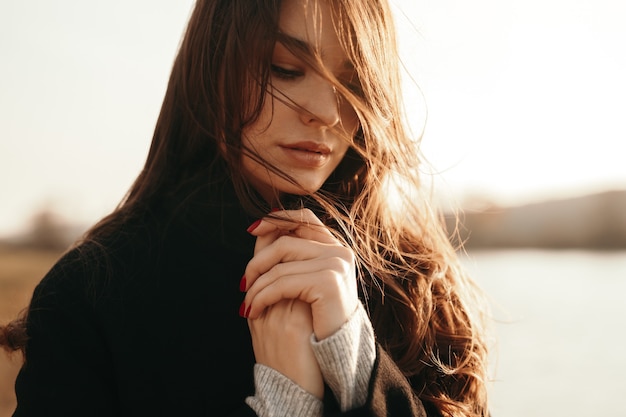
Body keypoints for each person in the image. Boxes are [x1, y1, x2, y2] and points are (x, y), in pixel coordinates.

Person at [0, 0, 493, 415]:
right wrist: (288, 402)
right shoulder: (90, 295)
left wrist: (355, 361)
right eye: (286, 68)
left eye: (354, 82)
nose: (325, 111)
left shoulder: (419, 283)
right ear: (214, 64)